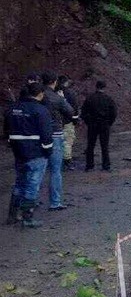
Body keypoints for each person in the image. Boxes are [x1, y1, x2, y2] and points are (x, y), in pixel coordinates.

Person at [4, 83, 53, 228]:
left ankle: (12, 215)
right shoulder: (41, 110)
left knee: (19, 183)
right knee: (32, 185)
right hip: (36, 153)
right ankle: (27, 217)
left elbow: (6, 131)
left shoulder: (12, 109)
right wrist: (48, 150)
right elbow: (46, 134)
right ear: (40, 94)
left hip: (18, 152)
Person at [41, 71, 75, 211]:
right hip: (55, 133)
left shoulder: (37, 94)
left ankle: (32, 201)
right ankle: (55, 201)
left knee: (38, 170)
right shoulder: (56, 97)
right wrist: (63, 99)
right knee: (56, 170)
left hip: (39, 135)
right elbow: (70, 111)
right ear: (54, 82)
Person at [81, 80, 117, 171]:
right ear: (104, 88)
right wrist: (109, 123)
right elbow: (114, 113)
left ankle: (89, 165)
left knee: (90, 145)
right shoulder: (108, 99)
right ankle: (106, 165)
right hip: (104, 125)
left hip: (92, 125)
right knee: (104, 146)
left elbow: (84, 112)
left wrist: (88, 122)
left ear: (96, 87)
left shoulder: (89, 98)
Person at [57, 75, 81, 170]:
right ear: (66, 82)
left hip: (56, 122)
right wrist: (75, 120)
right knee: (67, 141)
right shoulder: (70, 93)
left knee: (57, 142)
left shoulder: (52, 93)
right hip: (67, 121)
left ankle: (57, 160)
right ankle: (67, 161)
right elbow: (74, 108)